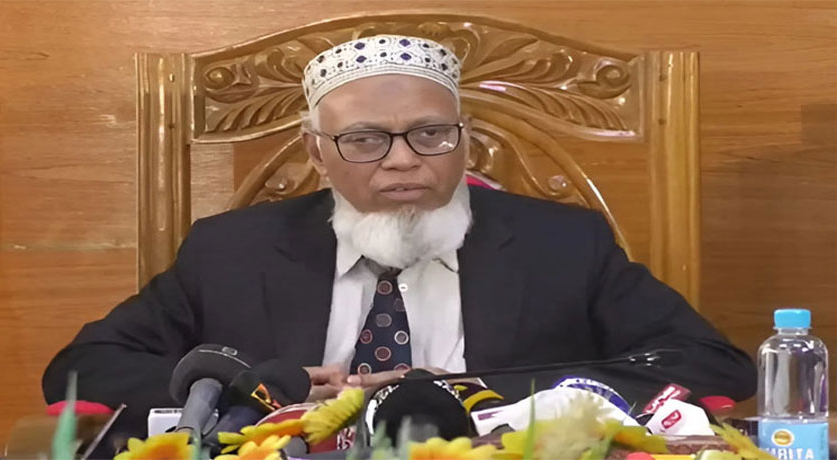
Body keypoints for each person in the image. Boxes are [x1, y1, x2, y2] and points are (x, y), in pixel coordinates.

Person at [43, 34, 755, 439]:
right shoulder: (232, 251)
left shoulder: (563, 245)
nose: (404, 160)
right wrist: (262, 387)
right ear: (317, 153)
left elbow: (710, 365)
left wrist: (478, 395)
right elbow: (83, 369)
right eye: (364, 140)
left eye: (430, 134)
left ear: (465, 141)